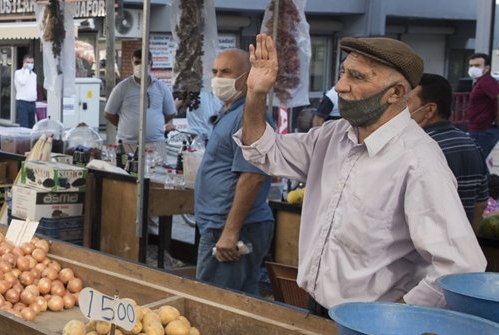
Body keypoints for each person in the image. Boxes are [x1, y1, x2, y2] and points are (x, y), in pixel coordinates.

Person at [239, 34, 486, 317]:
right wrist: (256, 94)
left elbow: (461, 267)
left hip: (373, 325)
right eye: (343, 72)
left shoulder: (418, 161)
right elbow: (263, 150)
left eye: (356, 77)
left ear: (395, 92)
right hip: (318, 307)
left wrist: (390, 323)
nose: (340, 86)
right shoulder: (331, 137)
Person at [193, 49, 274, 296]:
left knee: (213, 304)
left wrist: (230, 231)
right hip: (221, 225)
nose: (218, 78)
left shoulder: (249, 116)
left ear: (247, 77)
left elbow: (252, 176)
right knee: (242, 302)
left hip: (232, 229)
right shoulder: (231, 112)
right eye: (215, 72)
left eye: (226, 72)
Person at [408, 73, 490, 230]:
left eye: (407, 103)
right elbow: (481, 204)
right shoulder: (472, 144)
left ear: (429, 110)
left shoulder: (419, 148)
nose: (401, 110)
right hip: (461, 245)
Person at [105, 49, 176, 160]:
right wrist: (125, 125)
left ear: (151, 63)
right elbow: (109, 113)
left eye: (144, 62)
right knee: (125, 174)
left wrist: (155, 124)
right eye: (137, 62)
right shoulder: (122, 87)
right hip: (127, 144)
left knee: (157, 175)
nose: (140, 66)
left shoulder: (161, 88)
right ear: (132, 63)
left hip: (156, 144)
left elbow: (170, 113)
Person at [466, 53, 499, 160]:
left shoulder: (486, 81)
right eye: (471, 66)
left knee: (476, 161)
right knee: (479, 162)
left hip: (483, 129)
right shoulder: (480, 82)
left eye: (477, 65)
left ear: (486, 68)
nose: (473, 68)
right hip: (479, 128)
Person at [14, 54, 37, 128]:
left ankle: (31, 140)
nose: (30, 64)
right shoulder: (18, 73)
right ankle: (24, 140)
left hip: (32, 103)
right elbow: (23, 81)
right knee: (24, 126)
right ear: (24, 63)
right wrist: (26, 70)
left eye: (32, 62)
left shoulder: (34, 75)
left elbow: (33, 88)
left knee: (32, 125)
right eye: (28, 62)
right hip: (23, 103)